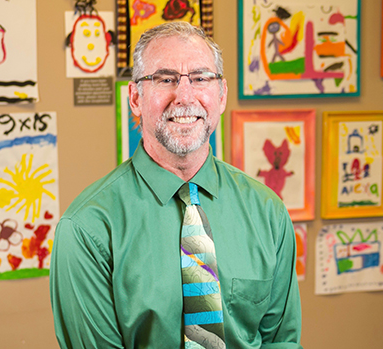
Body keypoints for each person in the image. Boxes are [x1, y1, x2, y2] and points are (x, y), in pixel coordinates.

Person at [49, 22, 301, 348]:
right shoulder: (85, 229)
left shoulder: (268, 212)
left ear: (221, 95)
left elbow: (282, 342)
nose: (184, 96)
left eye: (200, 78)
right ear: (136, 98)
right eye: (165, 79)